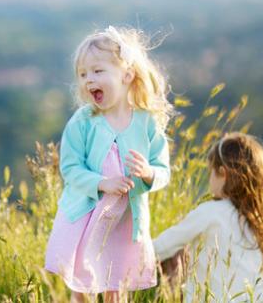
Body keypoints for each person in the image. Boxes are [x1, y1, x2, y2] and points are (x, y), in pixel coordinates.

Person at [44, 25, 174, 302]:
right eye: (83, 74)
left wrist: (149, 173)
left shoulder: (146, 122)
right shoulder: (83, 121)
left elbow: (163, 171)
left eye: (98, 71)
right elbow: (70, 168)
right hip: (86, 216)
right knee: (83, 283)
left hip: (125, 221)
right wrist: (103, 183)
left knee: (116, 283)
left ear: (127, 75)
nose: (89, 79)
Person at [153, 132, 263, 302]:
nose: (209, 178)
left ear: (222, 173)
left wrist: (126, 256)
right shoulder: (257, 221)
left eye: (210, 171)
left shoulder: (210, 212)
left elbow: (162, 247)